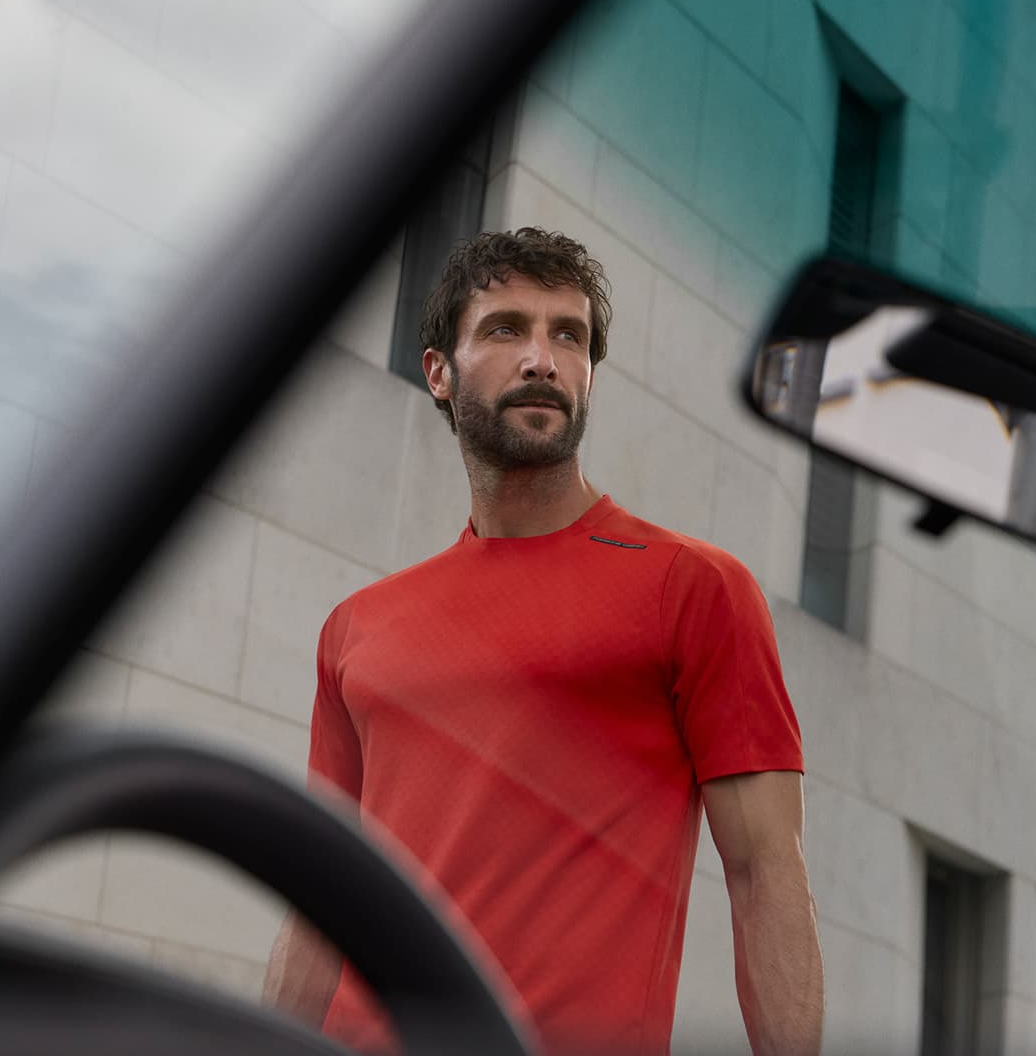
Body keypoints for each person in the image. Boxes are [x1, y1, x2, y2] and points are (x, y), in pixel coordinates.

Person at [261, 228, 824, 1056]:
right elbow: (322, 899)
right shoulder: (358, 626)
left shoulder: (693, 588)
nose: (544, 359)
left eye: (571, 335)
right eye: (505, 329)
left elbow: (766, 873)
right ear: (439, 372)